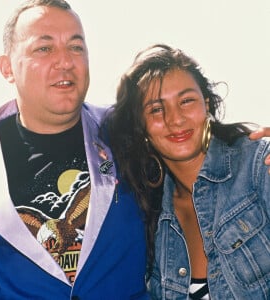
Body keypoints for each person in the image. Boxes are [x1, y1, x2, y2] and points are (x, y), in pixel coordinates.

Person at [0, 1, 149, 299]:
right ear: (7, 68)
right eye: (44, 48)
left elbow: (196, 149)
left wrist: (242, 144)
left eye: (76, 48)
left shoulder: (130, 131)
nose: (65, 61)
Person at [104, 44, 270, 299]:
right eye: (157, 109)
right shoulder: (150, 216)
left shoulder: (258, 166)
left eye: (186, 101)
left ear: (206, 105)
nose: (175, 119)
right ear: (141, 126)